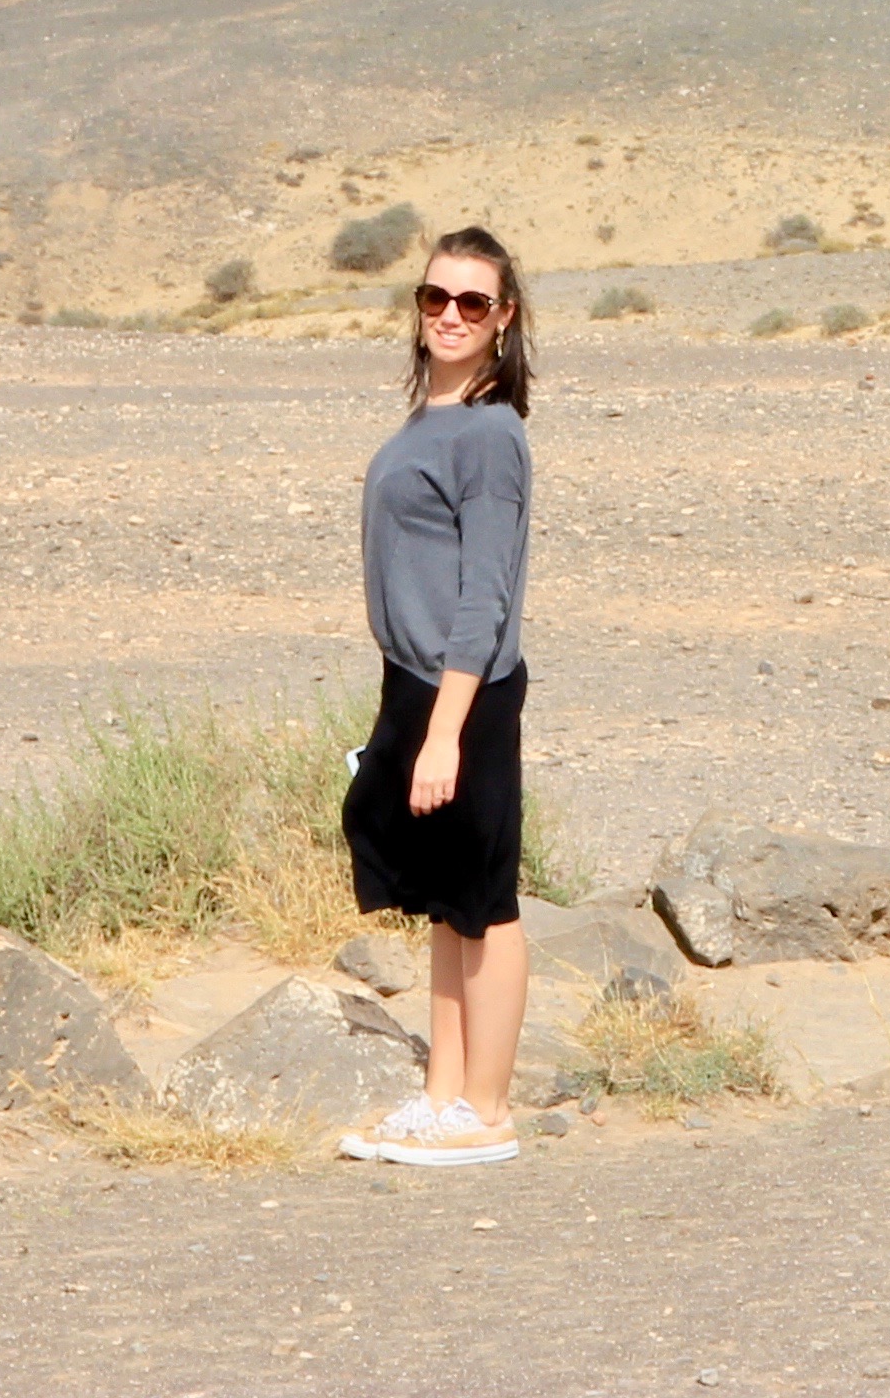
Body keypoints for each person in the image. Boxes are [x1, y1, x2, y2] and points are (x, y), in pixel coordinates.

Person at [338, 226, 534, 1166]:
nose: (449, 316)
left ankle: (487, 1112)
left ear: (504, 319)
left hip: (469, 692)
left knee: (486, 905)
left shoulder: (491, 432)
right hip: (416, 682)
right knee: (446, 904)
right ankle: (442, 1094)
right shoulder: (430, 420)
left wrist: (446, 733)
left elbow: (485, 594)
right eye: (434, 298)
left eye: (472, 302)